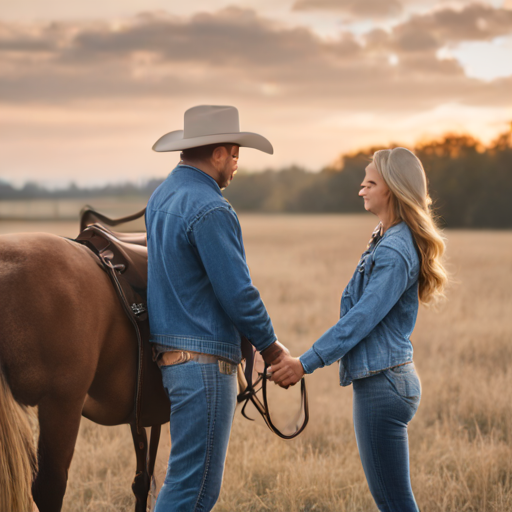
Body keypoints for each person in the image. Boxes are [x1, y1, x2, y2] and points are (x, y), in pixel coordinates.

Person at [270, 147, 448, 511]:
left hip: (383, 385)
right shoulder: (386, 236)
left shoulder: (395, 249)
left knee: (394, 502)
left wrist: (304, 362)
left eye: (370, 183)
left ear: (393, 189)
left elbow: (360, 320)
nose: (361, 190)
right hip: (384, 381)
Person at [146, 105, 288, 512]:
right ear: (218, 154)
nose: (237, 163)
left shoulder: (162, 196)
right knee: (195, 488)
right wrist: (273, 349)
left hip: (173, 359)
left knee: (187, 480)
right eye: (235, 153)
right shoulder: (210, 208)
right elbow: (238, 294)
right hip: (205, 365)